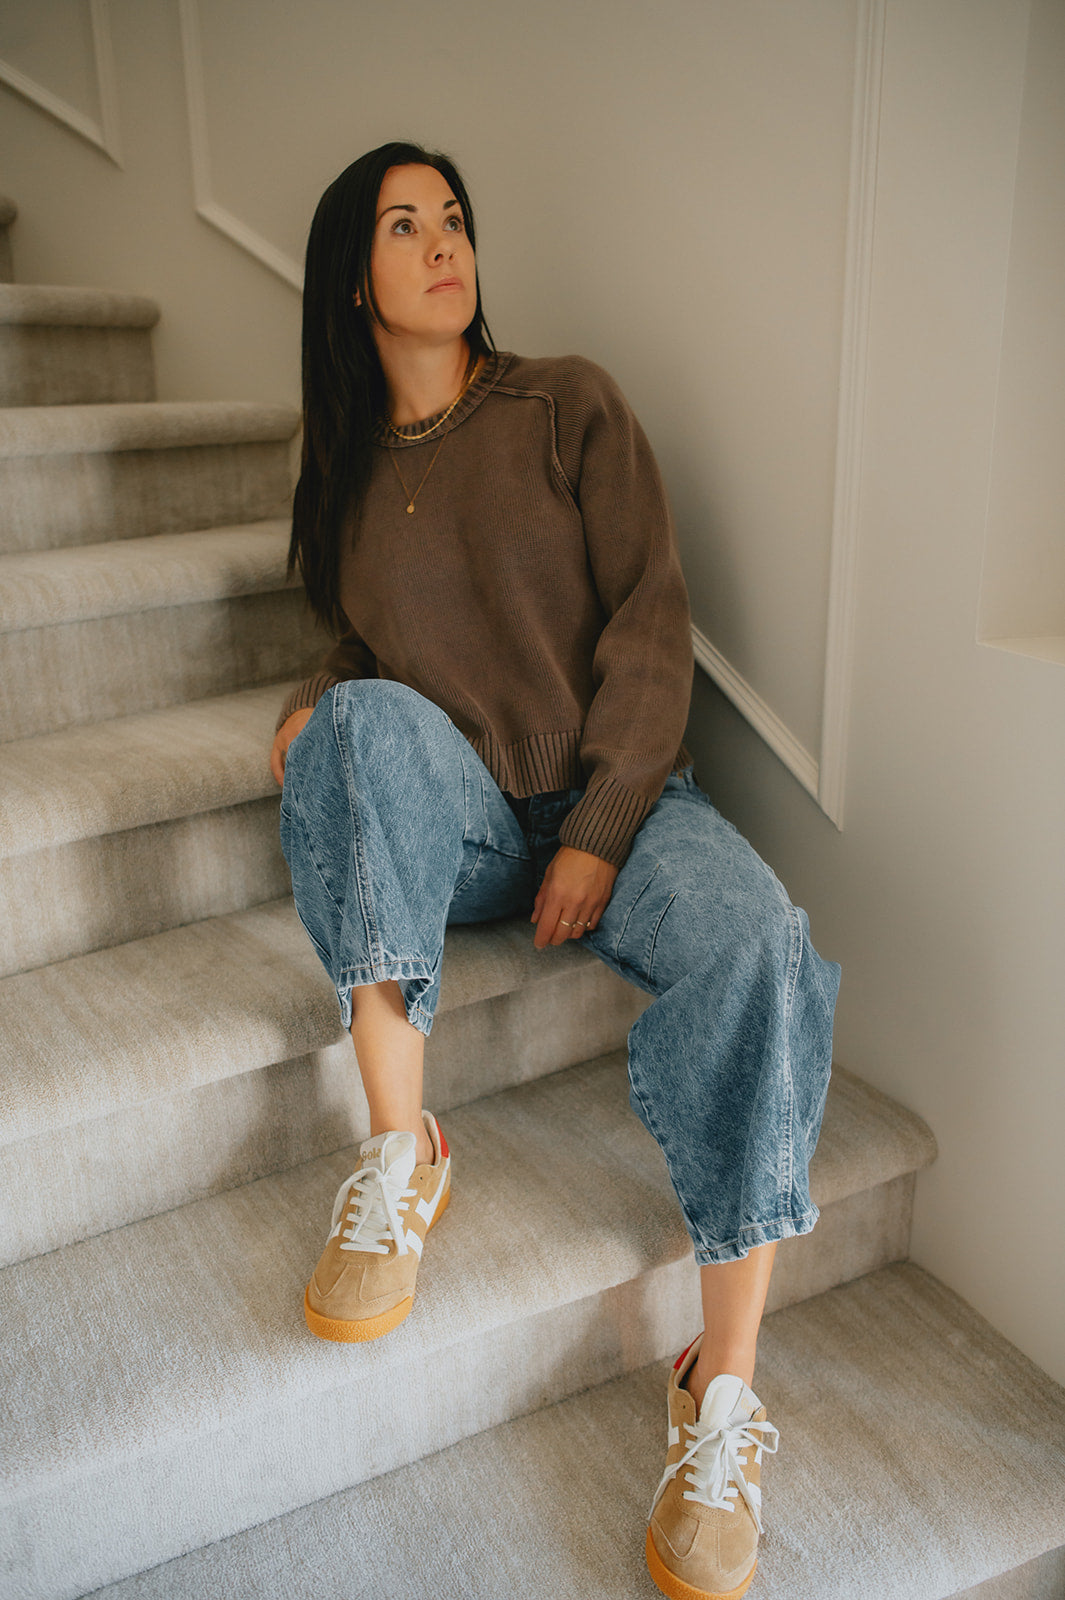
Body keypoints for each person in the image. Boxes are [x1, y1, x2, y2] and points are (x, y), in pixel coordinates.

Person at [270, 140, 840, 1600]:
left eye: (453, 220)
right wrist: (324, 694)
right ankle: (399, 1155)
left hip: (623, 805)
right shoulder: (344, 485)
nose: (443, 245)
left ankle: (718, 1390)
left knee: (760, 939)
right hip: (468, 822)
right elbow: (380, 643)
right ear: (353, 281)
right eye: (405, 226)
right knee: (351, 723)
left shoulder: (565, 403)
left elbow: (652, 614)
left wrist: (597, 824)